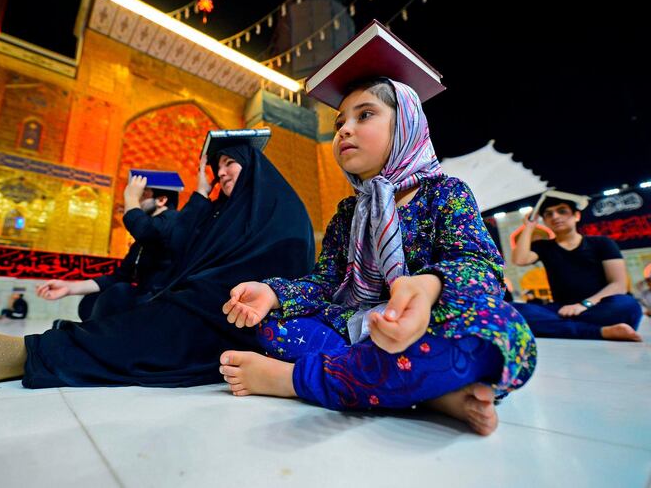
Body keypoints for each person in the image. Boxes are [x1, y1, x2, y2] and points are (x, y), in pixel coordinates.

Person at [218, 48, 536, 436]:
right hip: (357, 328)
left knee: (505, 331)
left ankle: (292, 380)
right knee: (271, 327)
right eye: (340, 123)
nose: (345, 130)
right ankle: (433, 394)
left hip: (427, 329)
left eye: (364, 115)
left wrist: (427, 287)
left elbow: (480, 267)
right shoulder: (349, 213)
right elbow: (326, 283)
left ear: (406, 126)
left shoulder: (446, 193)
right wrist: (272, 293)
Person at [0, 140, 316, 388]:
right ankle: (46, 348)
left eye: (229, 163)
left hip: (246, 318)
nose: (221, 172)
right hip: (210, 303)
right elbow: (182, 256)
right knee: (154, 313)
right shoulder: (227, 213)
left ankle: (32, 354)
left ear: (252, 165)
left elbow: (284, 272)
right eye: (217, 166)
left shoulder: (280, 210)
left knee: (164, 323)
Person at [38, 172, 181, 323]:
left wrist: (131, 198)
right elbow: (119, 276)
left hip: (161, 307)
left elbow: (145, 230)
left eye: (142, 195)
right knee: (91, 301)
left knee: (120, 293)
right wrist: (69, 288)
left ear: (161, 200)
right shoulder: (141, 243)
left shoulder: (175, 221)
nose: (137, 201)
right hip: (141, 305)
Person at [511, 194, 642, 341]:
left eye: (562, 211)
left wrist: (583, 305)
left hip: (600, 306)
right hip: (562, 309)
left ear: (576, 216)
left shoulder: (602, 243)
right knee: (512, 310)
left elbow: (619, 284)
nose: (555, 216)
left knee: (628, 305)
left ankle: (564, 328)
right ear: (545, 221)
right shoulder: (543, 247)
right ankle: (601, 331)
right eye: (549, 214)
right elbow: (519, 260)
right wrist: (529, 226)